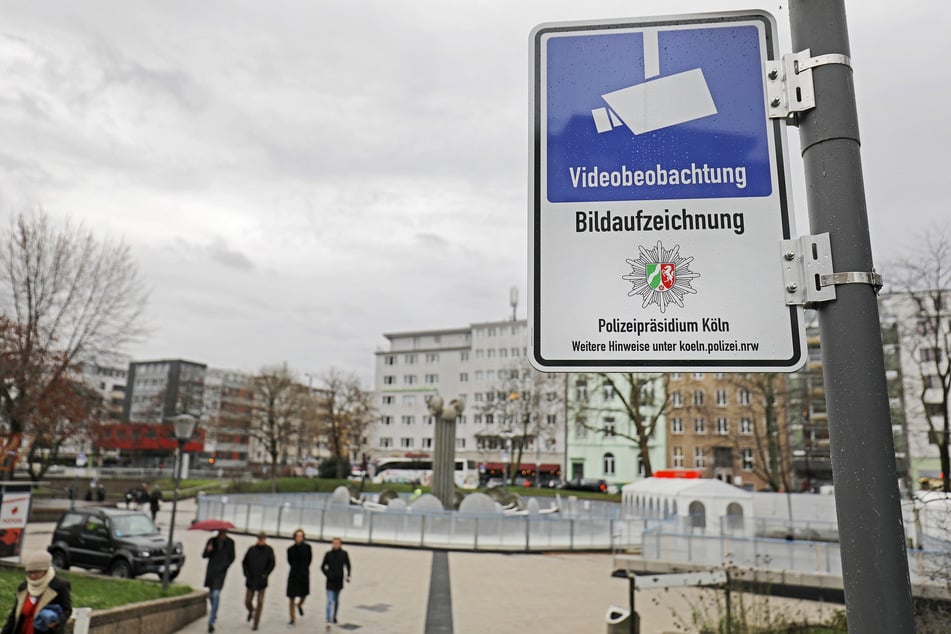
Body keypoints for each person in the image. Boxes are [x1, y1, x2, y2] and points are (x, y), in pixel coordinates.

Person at [1, 551, 72, 634]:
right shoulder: (24, 587)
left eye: (36, 572)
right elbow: (14, 617)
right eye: (30, 572)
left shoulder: (60, 586)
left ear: (45, 570)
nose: (32, 576)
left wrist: (56, 623)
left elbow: (67, 610)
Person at [202, 529, 235, 634]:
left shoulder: (230, 542)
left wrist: (225, 565)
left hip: (221, 572)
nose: (222, 534)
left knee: (216, 594)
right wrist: (208, 550)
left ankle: (211, 621)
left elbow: (232, 557)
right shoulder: (212, 541)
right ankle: (214, 612)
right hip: (211, 571)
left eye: (224, 533)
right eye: (220, 532)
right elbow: (204, 555)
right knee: (211, 595)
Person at [242, 531, 275, 631]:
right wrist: (246, 574)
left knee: (260, 602)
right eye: (260, 539)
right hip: (251, 579)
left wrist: (266, 574)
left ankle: (256, 622)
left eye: (263, 539)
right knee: (247, 601)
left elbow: (272, 564)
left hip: (262, 580)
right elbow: (244, 562)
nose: (261, 540)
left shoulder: (269, 550)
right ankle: (252, 611)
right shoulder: (251, 549)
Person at [320, 537, 351, 627]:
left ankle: (334, 616)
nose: (335, 545)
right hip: (330, 581)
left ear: (340, 544)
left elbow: (348, 565)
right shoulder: (328, 554)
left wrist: (348, 575)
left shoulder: (344, 554)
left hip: (339, 581)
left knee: (336, 600)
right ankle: (328, 617)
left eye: (337, 543)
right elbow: (322, 566)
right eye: (334, 543)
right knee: (329, 600)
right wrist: (327, 574)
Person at [286, 529, 312, 626]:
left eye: (301, 536)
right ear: (294, 537)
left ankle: (300, 604)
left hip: (303, 574)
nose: (299, 538)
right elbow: (289, 561)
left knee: (304, 594)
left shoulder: (308, 548)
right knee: (291, 597)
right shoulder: (290, 549)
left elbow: (309, 560)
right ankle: (292, 618)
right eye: (297, 536)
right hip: (293, 574)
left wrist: (304, 569)